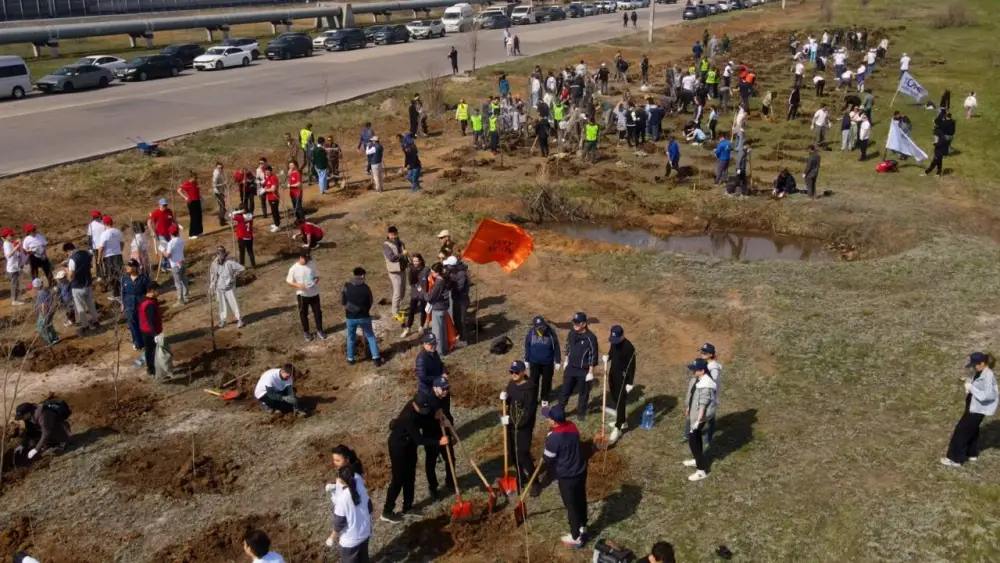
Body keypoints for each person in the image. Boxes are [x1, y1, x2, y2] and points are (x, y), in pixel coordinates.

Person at [382, 394, 449, 523]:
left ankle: (408, 507)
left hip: (410, 444)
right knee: (398, 479)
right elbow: (419, 439)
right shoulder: (408, 417)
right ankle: (387, 511)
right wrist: (438, 442)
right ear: (414, 405)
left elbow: (426, 417)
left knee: (410, 476)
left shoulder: (423, 404)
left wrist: (438, 415)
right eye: (421, 409)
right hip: (399, 446)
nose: (424, 411)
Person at [541, 404, 588, 548]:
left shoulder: (554, 438)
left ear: (554, 421)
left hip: (567, 476)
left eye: (548, 417)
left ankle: (575, 536)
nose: (547, 419)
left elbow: (548, 458)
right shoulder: (572, 426)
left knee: (571, 505)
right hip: (581, 470)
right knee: (581, 499)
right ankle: (583, 526)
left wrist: (548, 441)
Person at [940, 352, 997, 467]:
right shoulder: (981, 372)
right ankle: (971, 453)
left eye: (975, 365)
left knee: (961, 432)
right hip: (973, 407)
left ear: (982, 363)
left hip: (977, 409)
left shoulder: (988, 376)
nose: (974, 367)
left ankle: (955, 459)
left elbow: (988, 395)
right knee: (972, 430)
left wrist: (972, 388)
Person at [502, 360, 539, 495]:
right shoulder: (511, 385)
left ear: (524, 372)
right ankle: (520, 476)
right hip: (511, 425)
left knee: (522, 454)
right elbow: (508, 404)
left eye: (516, 372)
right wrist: (504, 400)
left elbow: (529, 412)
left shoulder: (530, 388)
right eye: (512, 372)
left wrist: (514, 423)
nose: (514, 374)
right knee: (513, 454)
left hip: (524, 426)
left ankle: (534, 481)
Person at [328, 465, 372, 562]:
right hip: (365, 533)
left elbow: (339, 523)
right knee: (363, 559)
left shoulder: (342, 500)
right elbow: (370, 508)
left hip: (351, 541)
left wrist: (331, 537)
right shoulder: (361, 489)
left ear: (341, 480)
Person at [683, 358, 717, 482]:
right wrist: (688, 406)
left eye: (695, 369)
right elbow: (692, 394)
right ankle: (697, 459)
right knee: (696, 439)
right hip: (694, 414)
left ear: (702, 371)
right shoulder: (697, 379)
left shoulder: (706, 385)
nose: (693, 371)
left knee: (693, 442)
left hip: (699, 417)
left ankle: (701, 470)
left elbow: (703, 403)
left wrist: (698, 420)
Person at [560, 312, 598, 422]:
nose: (575, 324)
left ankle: (581, 413)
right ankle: (560, 410)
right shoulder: (571, 333)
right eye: (574, 322)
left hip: (583, 370)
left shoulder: (591, 338)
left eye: (577, 323)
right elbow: (568, 346)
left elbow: (593, 355)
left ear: (584, 323)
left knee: (584, 392)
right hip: (571, 367)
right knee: (565, 390)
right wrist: (566, 360)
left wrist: (590, 372)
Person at [342, 266, 383, 366]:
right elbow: (370, 301)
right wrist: (364, 310)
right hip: (364, 317)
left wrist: (353, 310)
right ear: (362, 275)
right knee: (370, 336)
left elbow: (343, 301)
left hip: (350, 317)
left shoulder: (346, 286)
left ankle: (350, 359)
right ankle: (376, 359)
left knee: (350, 337)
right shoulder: (366, 288)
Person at [606, 325, 636, 445]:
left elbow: (632, 366)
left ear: (622, 335)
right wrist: (607, 357)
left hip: (622, 378)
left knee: (620, 401)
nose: (614, 342)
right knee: (614, 396)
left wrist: (629, 383)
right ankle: (623, 420)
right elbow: (612, 352)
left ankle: (618, 428)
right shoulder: (614, 342)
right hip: (613, 373)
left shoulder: (629, 348)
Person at [287, 249, 325, 341]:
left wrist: (315, 282)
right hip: (302, 295)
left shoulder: (312, 264)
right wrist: (298, 285)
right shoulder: (294, 268)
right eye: (306, 259)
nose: (308, 260)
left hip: (314, 293)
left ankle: (320, 330)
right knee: (303, 314)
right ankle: (306, 332)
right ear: (301, 257)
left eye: (309, 258)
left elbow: (317, 277)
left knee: (318, 313)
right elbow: (288, 281)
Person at [63, 242, 100, 333]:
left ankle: (85, 325)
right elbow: (90, 263)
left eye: (67, 253)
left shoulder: (72, 259)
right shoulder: (85, 253)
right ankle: (96, 321)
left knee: (80, 307)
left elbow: (71, 276)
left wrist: (65, 269)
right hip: (88, 283)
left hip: (77, 286)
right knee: (90, 304)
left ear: (68, 251)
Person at [524, 315, 561, 405]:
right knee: (534, 381)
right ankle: (533, 398)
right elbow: (527, 346)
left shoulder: (551, 333)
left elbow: (556, 346)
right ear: (534, 326)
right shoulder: (531, 333)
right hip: (534, 362)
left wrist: (558, 361)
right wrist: (526, 359)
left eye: (542, 326)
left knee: (546, 381)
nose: (541, 329)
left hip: (547, 363)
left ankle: (545, 398)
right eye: (539, 327)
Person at [209, 246, 245, 329]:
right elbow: (213, 276)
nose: (219, 255)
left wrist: (235, 276)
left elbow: (242, 269)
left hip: (229, 287)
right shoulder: (214, 264)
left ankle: (239, 319)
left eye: (221, 253)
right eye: (218, 253)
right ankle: (223, 320)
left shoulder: (230, 262)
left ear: (224, 253)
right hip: (219, 288)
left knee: (234, 303)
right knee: (222, 305)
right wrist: (211, 287)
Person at [120, 259, 150, 354]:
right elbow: (122, 292)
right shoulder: (124, 278)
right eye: (127, 266)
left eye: (130, 266)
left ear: (135, 267)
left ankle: (146, 342)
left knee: (143, 324)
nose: (127, 268)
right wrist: (122, 304)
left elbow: (149, 292)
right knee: (133, 325)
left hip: (141, 304)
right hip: (129, 304)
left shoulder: (143, 278)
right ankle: (137, 343)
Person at [382, 226, 408, 322]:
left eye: (395, 234)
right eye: (392, 235)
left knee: (403, 289)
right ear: (388, 235)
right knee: (397, 291)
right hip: (394, 271)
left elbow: (405, 254)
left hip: (402, 268)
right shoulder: (386, 245)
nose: (393, 236)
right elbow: (391, 258)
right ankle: (395, 312)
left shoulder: (400, 242)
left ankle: (398, 307)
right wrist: (402, 255)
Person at [424, 263, 451, 356]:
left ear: (438, 273)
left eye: (433, 272)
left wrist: (424, 294)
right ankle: (445, 348)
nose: (431, 273)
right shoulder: (446, 279)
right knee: (443, 330)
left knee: (437, 331)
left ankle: (439, 352)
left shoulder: (439, 283)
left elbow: (431, 298)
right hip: (444, 307)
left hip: (438, 308)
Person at [96, 215, 123, 300]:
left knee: (111, 275)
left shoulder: (105, 234)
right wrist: (119, 250)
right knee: (119, 273)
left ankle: (116, 294)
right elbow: (122, 243)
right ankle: (121, 292)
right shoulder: (118, 231)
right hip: (118, 255)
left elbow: (101, 248)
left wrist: (98, 258)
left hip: (109, 257)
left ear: (105, 223)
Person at [444, 255, 469, 345]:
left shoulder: (461, 274)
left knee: (461, 320)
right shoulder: (452, 272)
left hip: (462, 300)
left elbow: (460, 288)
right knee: (456, 318)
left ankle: (464, 339)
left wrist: (451, 285)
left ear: (453, 266)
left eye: (448, 266)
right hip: (455, 299)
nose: (447, 267)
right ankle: (460, 334)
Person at [138, 283, 162, 377]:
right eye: (157, 290)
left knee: (149, 351)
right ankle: (152, 369)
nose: (159, 291)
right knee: (152, 351)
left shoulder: (145, 300)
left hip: (145, 330)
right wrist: (155, 334)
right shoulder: (150, 304)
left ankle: (151, 368)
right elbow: (150, 320)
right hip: (150, 332)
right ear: (152, 291)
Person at [31, 279, 59, 346]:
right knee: (49, 325)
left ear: (36, 287)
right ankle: (55, 338)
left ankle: (49, 341)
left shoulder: (41, 294)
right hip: (50, 311)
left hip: (45, 313)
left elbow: (44, 305)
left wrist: (43, 316)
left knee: (41, 327)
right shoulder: (46, 291)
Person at [165, 225, 188, 305]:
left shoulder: (170, 243)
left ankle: (180, 300)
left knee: (178, 283)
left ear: (170, 234)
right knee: (184, 279)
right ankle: (186, 296)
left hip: (175, 264)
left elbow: (168, 255)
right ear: (177, 232)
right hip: (181, 262)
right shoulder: (181, 240)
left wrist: (163, 251)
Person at [177, 171, 203, 239]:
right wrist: (185, 197)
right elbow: (179, 190)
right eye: (194, 178)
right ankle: (191, 234)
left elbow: (196, 191)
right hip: (191, 202)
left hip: (197, 201)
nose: (195, 179)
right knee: (194, 218)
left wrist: (200, 197)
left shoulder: (195, 183)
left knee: (199, 217)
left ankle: (199, 231)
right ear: (191, 177)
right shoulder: (187, 183)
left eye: (196, 178)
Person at [86, 210, 106, 281]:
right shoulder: (103, 223)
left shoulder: (91, 225)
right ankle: (103, 274)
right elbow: (90, 237)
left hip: (98, 246)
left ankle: (100, 275)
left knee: (98, 261)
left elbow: (89, 238)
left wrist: (90, 248)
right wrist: (90, 248)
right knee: (103, 260)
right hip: (102, 245)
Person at [262, 165, 281, 232]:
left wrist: (265, 190)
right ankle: (276, 223)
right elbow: (268, 186)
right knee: (273, 211)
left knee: (275, 212)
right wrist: (264, 189)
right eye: (265, 172)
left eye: (267, 172)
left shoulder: (273, 177)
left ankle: (277, 225)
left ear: (270, 171)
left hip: (274, 197)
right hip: (270, 197)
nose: (266, 173)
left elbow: (273, 189)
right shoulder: (268, 178)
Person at [212, 162, 228, 227]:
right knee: (223, 207)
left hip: (221, 191)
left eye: (221, 168)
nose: (220, 169)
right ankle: (221, 221)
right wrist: (223, 184)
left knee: (222, 206)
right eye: (218, 168)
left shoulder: (222, 172)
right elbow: (214, 185)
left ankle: (222, 218)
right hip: (217, 192)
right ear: (216, 167)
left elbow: (225, 179)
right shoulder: (216, 174)